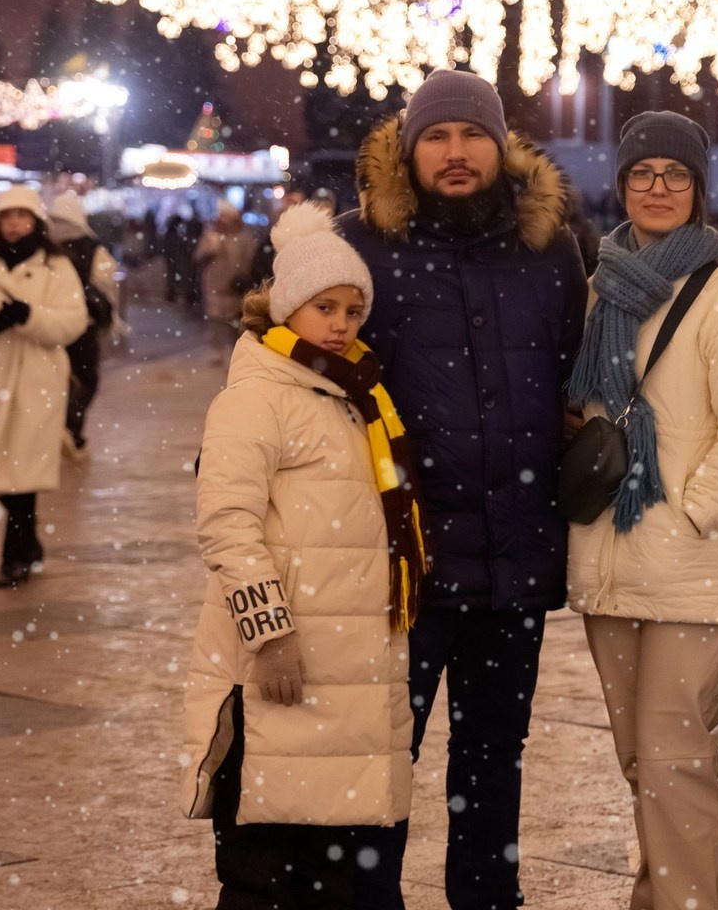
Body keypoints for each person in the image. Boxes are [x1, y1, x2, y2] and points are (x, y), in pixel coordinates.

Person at [342, 68, 588, 910]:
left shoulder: (549, 251)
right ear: (409, 151)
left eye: (471, 135)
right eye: (437, 137)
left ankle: (490, 896)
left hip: (516, 548)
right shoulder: (361, 246)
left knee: (493, 751)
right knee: (383, 752)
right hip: (402, 558)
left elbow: (570, 379)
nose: (455, 153)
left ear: (500, 145)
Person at [565, 110, 718, 910]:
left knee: (672, 758)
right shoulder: (603, 290)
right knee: (644, 760)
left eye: (674, 176)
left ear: (698, 190)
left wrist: (691, 515)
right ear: (622, 186)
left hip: (694, 567)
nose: (656, 189)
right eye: (641, 175)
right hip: (610, 562)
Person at [181, 201, 426, 909]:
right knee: (266, 870)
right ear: (289, 308)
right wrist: (270, 632)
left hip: (350, 671)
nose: (343, 323)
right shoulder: (257, 396)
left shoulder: (360, 395)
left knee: (339, 876)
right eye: (326, 306)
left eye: (353, 308)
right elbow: (227, 526)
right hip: (282, 668)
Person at [0, 185, 88, 588]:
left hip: (36, 382)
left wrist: (29, 316)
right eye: (8, 219)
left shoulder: (56, 268)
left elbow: (72, 322)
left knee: (20, 474)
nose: (14, 226)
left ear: (36, 223)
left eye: (22, 218)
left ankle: (14, 559)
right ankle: (30, 544)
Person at [48, 190, 120, 461]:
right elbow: (106, 280)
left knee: (58, 378)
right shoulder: (92, 248)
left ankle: (61, 429)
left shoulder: (46, 248)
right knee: (87, 379)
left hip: (52, 323)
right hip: (84, 324)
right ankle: (71, 428)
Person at [195, 200, 258, 357]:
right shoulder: (211, 235)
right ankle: (217, 351)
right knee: (216, 320)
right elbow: (198, 257)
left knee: (234, 321)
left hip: (235, 286)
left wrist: (244, 278)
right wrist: (209, 250)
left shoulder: (244, 237)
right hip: (214, 285)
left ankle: (234, 351)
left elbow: (250, 260)